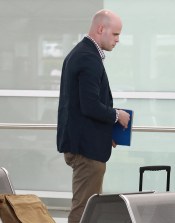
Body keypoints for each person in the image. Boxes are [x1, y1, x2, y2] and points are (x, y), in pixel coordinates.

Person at [57, 9, 130, 223]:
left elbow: (80, 107)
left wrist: (106, 133)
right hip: (86, 151)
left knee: (89, 207)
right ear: (101, 29)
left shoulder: (82, 54)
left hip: (85, 143)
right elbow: (90, 106)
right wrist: (117, 116)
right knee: (84, 208)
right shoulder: (87, 58)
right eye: (116, 34)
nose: (118, 40)